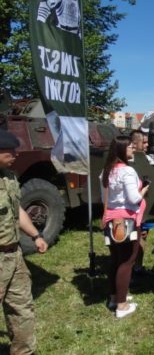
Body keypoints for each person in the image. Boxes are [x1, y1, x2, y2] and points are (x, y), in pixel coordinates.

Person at [0, 129, 49, 354]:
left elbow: (16, 210)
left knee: (22, 309)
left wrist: (36, 235)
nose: (16, 154)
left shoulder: (9, 177)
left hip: (14, 255)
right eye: (11, 150)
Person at [101, 136, 149, 318]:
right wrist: (143, 191)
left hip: (111, 218)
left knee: (116, 259)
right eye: (129, 146)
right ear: (122, 150)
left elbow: (104, 197)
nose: (133, 148)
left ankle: (114, 297)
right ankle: (122, 305)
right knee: (128, 261)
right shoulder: (127, 171)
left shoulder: (107, 171)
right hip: (127, 220)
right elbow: (133, 198)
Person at [129, 131, 154, 279]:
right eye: (143, 142)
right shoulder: (130, 162)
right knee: (133, 238)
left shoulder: (148, 159)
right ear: (134, 144)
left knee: (143, 236)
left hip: (145, 206)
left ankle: (138, 267)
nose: (147, 145)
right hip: (133, 207)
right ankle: (130, 268)